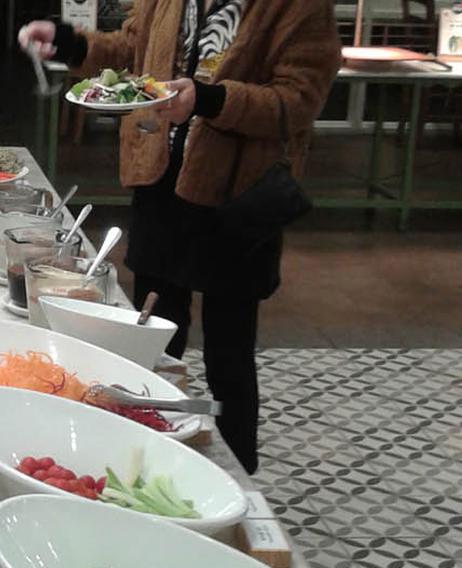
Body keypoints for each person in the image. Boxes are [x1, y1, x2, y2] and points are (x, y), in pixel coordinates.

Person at [19, 0, 342, 474]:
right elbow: (134, 50)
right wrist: (68, 41)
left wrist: (208, 100)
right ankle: (147, 459)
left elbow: (298, 100)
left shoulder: (298, 8)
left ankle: (239, 484)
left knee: (228, 355)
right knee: (149, 341)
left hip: (238, 194)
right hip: (161, 183)